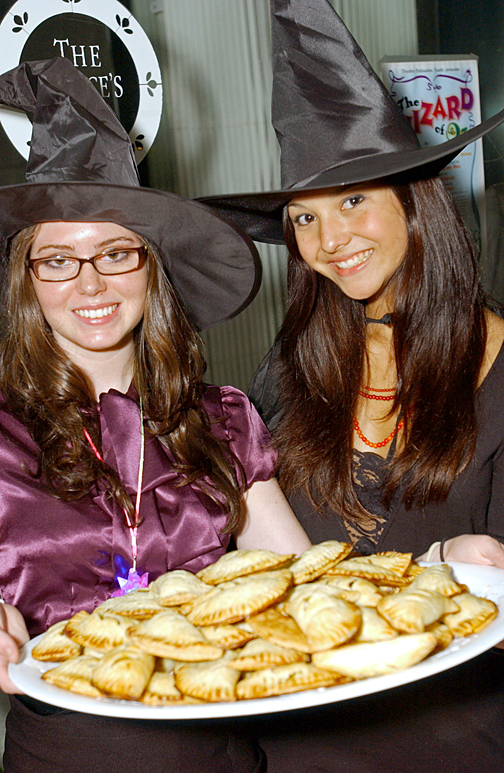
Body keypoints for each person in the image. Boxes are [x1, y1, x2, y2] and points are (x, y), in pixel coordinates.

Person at [201, 1, 504, 770]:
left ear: (415, 198)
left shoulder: (498, 365)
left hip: (452, 742)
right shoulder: (289, 366)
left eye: (354, 199)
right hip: (296, 741)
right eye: (302, 219)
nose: (330, 242)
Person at [0, 57, 310, 773]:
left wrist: (445, 563)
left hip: (223, 752)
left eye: (116, 251)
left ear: (152, 268)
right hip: (65, 756)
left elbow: (305, 585)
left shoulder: (226, 420)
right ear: (26, 279)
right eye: (58, 261)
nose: (91, 282)